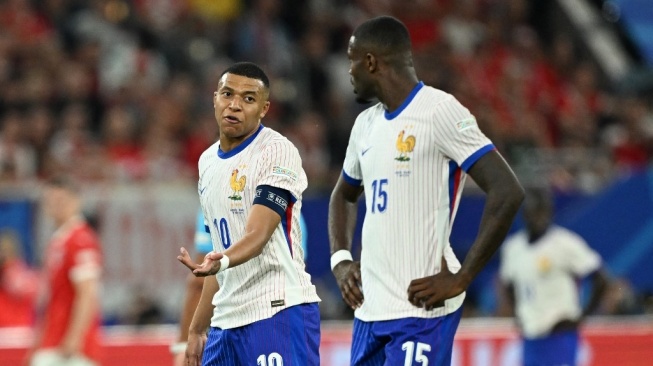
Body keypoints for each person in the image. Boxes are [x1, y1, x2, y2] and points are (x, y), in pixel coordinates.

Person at [328, 15, 524, 365]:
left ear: (370, 61)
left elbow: (507, 190)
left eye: (351, 60)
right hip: (371, 311)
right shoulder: (364, 126)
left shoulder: (440, 111)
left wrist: (463, 277)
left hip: (421, 309)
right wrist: (341, 261)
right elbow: (343, 195)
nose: (349, 72)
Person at [176, 62, 321, 366]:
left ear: (264, 108)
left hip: (278, 310)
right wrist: (197, 327)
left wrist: (222, 259)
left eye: (248, 98)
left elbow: (258, 233)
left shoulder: (277, 151)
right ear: (215, 98)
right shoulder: (207, 163)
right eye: (227, 94)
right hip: (226, 321)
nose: (235, 105)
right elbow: (219, 251)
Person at [499, 188, 608, 366]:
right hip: (530, 332)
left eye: (543, 211)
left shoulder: (565, 243)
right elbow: (509, 284)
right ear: (525, 214)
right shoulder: (513, 248)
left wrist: (582, 316)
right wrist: (518, 312)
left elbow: (600, 278)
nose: (539, 217)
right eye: (534, 211)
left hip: (559, 331)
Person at [26, 175, 103, 366]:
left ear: (76, 201)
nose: (55, 206)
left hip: (69, 345)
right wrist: (38, 343)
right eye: (51, 201)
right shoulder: (59, 240)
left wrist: (74, 338)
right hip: (52, 338)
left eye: (61, 200)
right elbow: (51, 298)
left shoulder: (81, 240)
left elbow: (87, 293)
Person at [170, 209, 213, 365]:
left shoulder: (214, 197)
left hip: (239, 327)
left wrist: (183, 345)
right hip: (288, 311)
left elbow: (201, 282)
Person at [0, 229, 39, 327]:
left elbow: (32, 292)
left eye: (7, 250)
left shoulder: (20, 273)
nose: (4, 255)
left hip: (18, 328)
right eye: (2, 250)